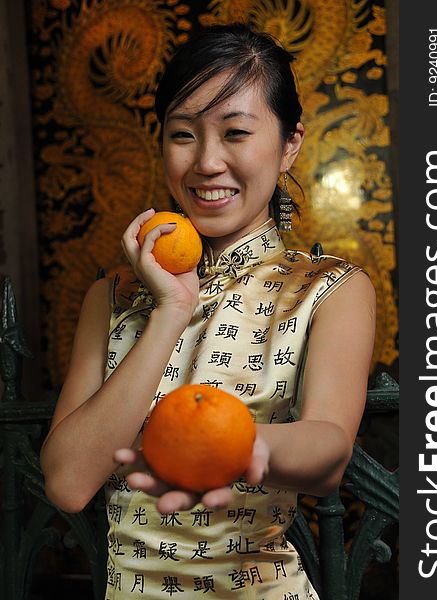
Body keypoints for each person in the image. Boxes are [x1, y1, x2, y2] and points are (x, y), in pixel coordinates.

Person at [40, 23, 376, 599]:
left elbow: (329, 452)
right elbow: (68, 483)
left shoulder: (330, 288)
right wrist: (171, 309)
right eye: (183, 134)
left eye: (236, 132)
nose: (206, 162)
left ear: (290, 142)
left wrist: (234, 449)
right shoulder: (114, 295)